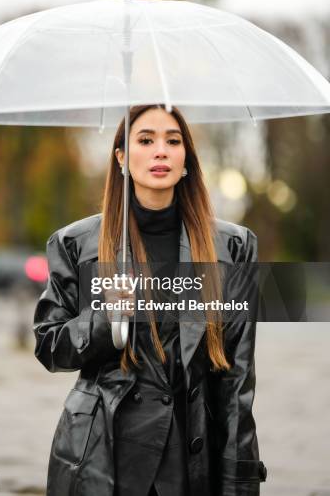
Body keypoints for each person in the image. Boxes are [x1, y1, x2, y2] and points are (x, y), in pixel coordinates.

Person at [33, 104, 267, 496]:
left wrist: (237, 481)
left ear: (186, 159)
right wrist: (106, 318)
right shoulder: (75, 243)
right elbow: (49, 345)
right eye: (145, 140)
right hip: (101, 454)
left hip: (192, 453)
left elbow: (238, 379)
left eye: (172, 141)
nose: (160, 151)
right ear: (122, 158)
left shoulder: (233, 247)